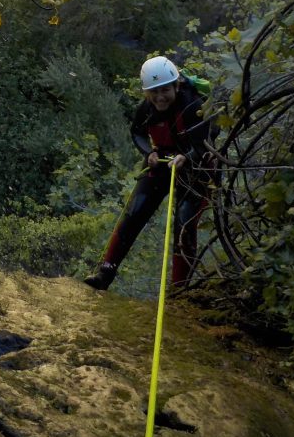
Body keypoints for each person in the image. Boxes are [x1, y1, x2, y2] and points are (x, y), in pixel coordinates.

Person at [85, 56, 212, 292]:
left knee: (184, 223)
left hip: (197, 168)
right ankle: (105, 273)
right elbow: (137, 133)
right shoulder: (146, 109)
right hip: (162, 163)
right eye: (154, 92)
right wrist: (149, 152)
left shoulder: (192, 106)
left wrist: (189, 157)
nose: (159, 97)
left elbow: (209, 139)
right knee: (134, 212)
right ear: (146, 93)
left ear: (176, 86)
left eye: (165, 90)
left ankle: (178, 290)